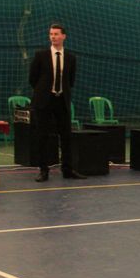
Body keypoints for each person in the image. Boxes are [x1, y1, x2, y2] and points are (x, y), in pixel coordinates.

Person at [28, 23, 85, 182]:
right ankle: (43, 170)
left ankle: (67, 169)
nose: (53, 36)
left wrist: (61, 92)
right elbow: (33, 78)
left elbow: (70, 80)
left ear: (63, 36)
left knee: (66, 135)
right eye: (51, 34)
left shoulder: (71, 58)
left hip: (62, 100)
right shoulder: (41, 55)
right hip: (44, 101)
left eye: (56, 34)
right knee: (43, 135)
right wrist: (44, 92)